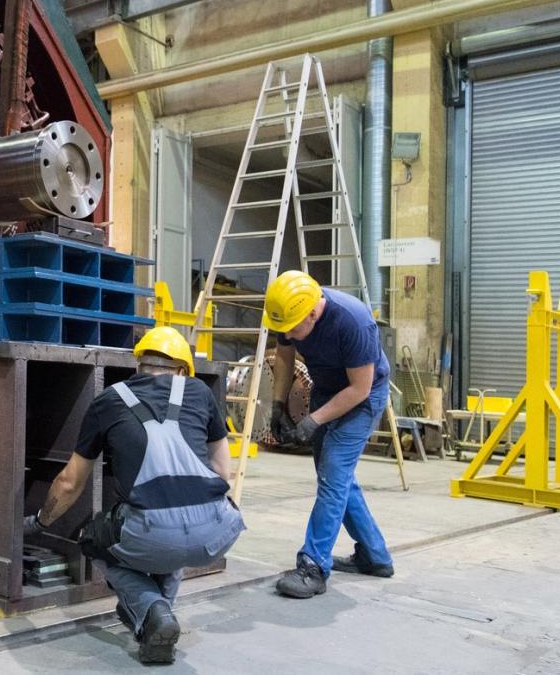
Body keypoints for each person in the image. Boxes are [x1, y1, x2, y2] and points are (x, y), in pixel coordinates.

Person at [23, 326, 245, 664]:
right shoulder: (200, 391)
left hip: (154, 532)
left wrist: (40, 521)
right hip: (216, 531)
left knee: (95, 539)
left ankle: (151, 608)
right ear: (183, 370)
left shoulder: (109, 400)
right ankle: (158, 625)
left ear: (138, 366)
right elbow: (222, 471)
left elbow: (69, 482)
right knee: (173, 538)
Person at [263, 270, 395, 599]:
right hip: (327, 390)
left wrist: (313, 421)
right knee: (337, 479)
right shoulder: (289, 314)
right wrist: (278, 405)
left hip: (363, 396)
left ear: (312, 311)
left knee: (334, 474)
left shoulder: (353, 321)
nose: (289, 334)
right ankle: (374, 556)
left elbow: (360, 389)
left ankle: (313, 565)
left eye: (294, 328)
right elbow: (284, 355)